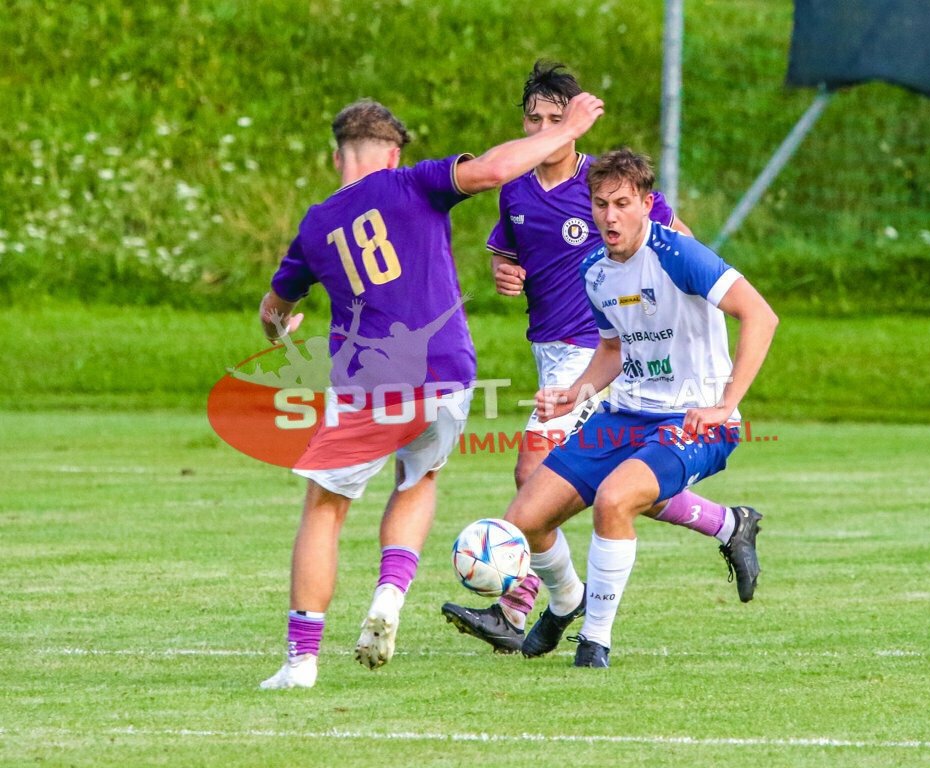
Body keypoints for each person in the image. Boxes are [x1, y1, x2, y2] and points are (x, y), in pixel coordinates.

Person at [258, 92, 604, 689]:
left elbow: (274, 308)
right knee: (417, 480)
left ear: (338, 156)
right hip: (446, 374)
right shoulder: (415, 182)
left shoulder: (316, 225)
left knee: (326, 507)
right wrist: (567, 130)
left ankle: (301, 660)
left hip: (369, 382)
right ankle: (389, 600)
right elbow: (496, 168)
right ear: (393, 153)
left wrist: (280, 325)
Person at [441, 61, 762, 655]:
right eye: (532, 119)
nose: (609, 216)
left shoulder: (614, 192)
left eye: (555, 120)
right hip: (570, 355)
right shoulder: (519, 187)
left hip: (609, 361)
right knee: (599, 489)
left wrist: (721, 389)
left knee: (560, 481)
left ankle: (536, 611)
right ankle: (727, 523)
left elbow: (694, 264)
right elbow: (515, 253)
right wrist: (504, 270)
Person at [502, 148, 778, 667]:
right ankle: (566, 604)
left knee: (614, 499)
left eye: (623, 203)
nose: (610, 215)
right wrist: (577, 392)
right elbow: (612, 350)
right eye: (601, 203)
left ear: (648, 204)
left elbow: (760, 316)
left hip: (695, 422)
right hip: (624, 416)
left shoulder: (679, 255)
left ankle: (595, 642)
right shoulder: (595, 271)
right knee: (526, 520)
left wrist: (726, 405)